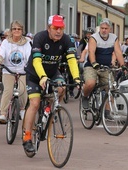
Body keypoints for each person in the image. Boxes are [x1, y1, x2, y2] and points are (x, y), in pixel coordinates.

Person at [23, 14, 80, 152]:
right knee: (35, 103)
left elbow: (72, 59)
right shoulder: (40, 37)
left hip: (53, 72)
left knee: (61, 89)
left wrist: (77, 78)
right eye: (55, 28)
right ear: (49, 28)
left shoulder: (67, 40)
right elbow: (36, 60)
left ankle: (50, 110)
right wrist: (42, 76)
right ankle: (27, 136)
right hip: (35, 74)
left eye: (61, 28)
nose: (58, 31)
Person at [82, 18, 125, 110]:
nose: (104, 30)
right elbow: (91, 52)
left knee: (110, 88)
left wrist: (123, 65)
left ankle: (107, 111)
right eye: (102, 28)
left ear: (110, 29)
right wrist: (94, 63)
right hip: (92, 66)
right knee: (90, 83)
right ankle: (85, 96)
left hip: (105, 67)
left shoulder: (114, 38)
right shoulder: (94, 37)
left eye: (106, 28)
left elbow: (118, 52)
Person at [0, 20, 32, 124]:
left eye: (19, 29)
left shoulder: (27, 42)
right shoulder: (6, 42)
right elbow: (1, 54)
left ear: (22, 31)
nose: (17, 31)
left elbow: (29, 55)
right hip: (8, 70)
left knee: (23, 89)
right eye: (14, 29)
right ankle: (3, 113)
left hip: (22, 71)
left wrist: (30, 65)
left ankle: (22, 109)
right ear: (11, 30)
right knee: (8, 90)